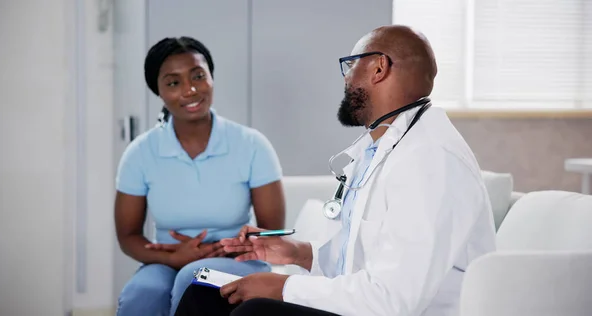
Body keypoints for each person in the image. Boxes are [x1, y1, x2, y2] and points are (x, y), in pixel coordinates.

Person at [174, 25, 496, 316]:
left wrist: (281, 288)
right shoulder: (383, 148)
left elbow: (391, 300)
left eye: (351, 65)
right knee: (205, 296)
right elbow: (360, 263)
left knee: (253, 312)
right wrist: (299, 254)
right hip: (370, 307)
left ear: (379, 67)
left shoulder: (430, 159)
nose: (346, 78)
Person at [114, 36, 286, 316]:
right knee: (141, 295)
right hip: (165, 260)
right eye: (173, 82)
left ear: (211, 78)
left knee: (195, 277)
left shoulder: (251, 144)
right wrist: (173, 257)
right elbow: (128, 236)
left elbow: (271, 233)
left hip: (241, 260)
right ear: (158, 90)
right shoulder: (140, 153)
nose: (190, 90)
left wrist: (224, 249)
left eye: (198, 76)